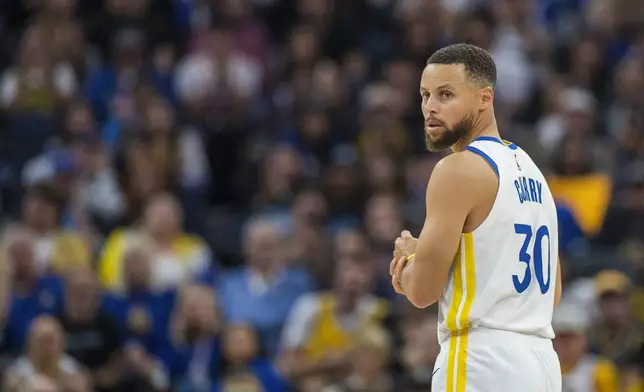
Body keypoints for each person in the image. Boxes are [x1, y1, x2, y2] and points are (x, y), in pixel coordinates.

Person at [389, 43, 563, 392]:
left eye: (446, 94)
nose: (430, 107)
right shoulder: (532, 171)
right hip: (541, 363)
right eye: (425, 95)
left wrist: (407, 263)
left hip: (480, 360)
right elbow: (553, 292)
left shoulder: (457, 169)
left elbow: (423, 291)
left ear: (485, 98)